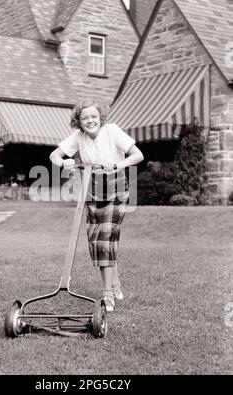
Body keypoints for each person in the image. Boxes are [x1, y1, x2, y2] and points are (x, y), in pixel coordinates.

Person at [50, 100, 144, 312]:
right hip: (91, 188)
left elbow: (138, 155)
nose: (90, 121)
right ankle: (116, 284)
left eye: (93, 116)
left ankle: (107, 294)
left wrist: (118, 164)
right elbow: (54, 155)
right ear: (79, 122)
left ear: (100, 117)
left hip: (116, 188)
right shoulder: (79, 137)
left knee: (105, 239)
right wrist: (64, 162)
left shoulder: (111, 131)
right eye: (85, 118)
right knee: (97, 240)